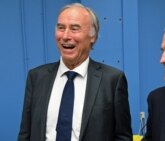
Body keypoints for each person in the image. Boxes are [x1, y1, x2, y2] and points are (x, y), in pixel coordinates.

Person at [18, 3, 132, 141]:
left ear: (92, 36)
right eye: (61, 28)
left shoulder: (113, 80)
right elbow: (25, 135)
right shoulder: (36, 77)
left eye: (74, 28)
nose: (65, 36)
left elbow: (123, 137)